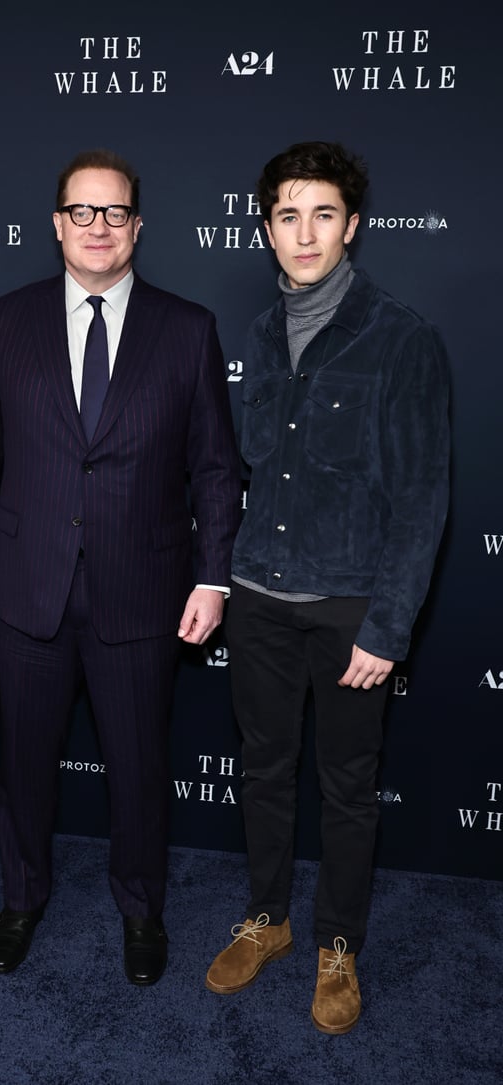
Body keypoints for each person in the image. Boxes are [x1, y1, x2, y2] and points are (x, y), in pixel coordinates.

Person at [0, 148, 242, 985]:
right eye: (83, 212)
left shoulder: (188, 328)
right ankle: (22, 898)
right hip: (25, 586)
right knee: (25, 761)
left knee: (141, 767)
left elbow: (216, 467)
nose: (99, 227)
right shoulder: (10, 321)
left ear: (138, 226)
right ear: (57, 225)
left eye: (115, 213)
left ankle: (142, 909)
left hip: (142, 593)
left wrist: (212, 577)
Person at [204, 141, 450, 1033]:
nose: (302, 233)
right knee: (263, 770)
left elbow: (423, 498)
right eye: (285, 215)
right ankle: (268, 919)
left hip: (350, 609)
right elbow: (254, 471)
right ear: (266, 227)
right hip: (259, 596)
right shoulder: (263, 333)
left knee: (347, 787)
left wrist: (387, 627)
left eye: (321, 214)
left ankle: (336, 943)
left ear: (352, 224)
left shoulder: (402, 336)